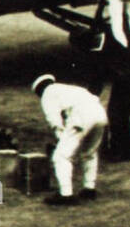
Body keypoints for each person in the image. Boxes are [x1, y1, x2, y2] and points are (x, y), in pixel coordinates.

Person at [32, 74, 108, 206]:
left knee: (61, 157)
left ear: (39, 90)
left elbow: (54, 119)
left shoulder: (47, 94)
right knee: (89, 153)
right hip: (100, 115)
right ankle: (89, 188)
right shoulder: (70, 89)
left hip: (81, 117)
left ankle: (66, 195)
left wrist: (61, 140)